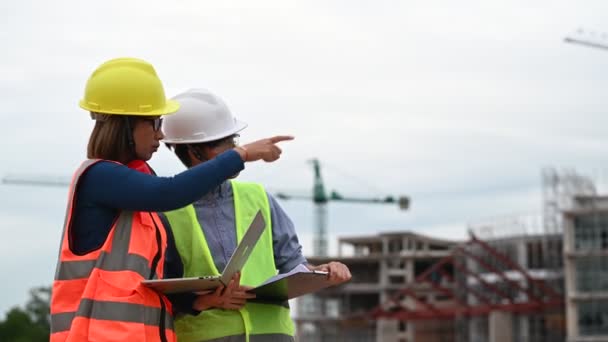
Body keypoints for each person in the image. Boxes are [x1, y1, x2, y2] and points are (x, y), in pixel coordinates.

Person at [49, 58, 292, 342]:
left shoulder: (141, 207)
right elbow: (168, 193)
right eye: (155, 122)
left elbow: (152, 285)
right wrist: (242, 154)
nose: (160, 134)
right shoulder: (99, 177)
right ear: (126, 124)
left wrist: (201, 301)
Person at [161, 88, 352, 342]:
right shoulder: (165, 211)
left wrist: (321, 273)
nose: (235, 149)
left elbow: (294, 265)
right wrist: (205, 301)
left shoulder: (259, 197)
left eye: (234, 140)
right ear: (195, 152)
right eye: (226, 143)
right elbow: (159, 291)